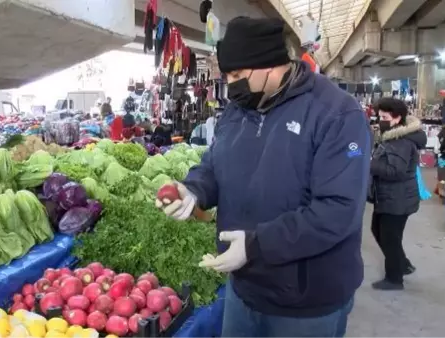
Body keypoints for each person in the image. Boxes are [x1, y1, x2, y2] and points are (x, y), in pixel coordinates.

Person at [155, 17, 370, 338]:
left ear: (270, 65)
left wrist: (258, 245)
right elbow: (215, 164)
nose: (230, 84)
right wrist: (193, 190)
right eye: (227, 75)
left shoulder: (336, 114)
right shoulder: (237, 110)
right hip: (244, 289)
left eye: (237, 75)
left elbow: (338, 211)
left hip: (306, 302)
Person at [369, 97, 427, 290]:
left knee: (389, 238)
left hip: (397, 198)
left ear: (397, 118)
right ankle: (403, 265)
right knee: (378, 230)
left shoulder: (400, 142)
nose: (380, 120)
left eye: (384, 117)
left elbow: (395, 171)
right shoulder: (392, 137)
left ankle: (394, 279)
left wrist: (369, 164)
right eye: (379, 116)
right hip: (389, 197)